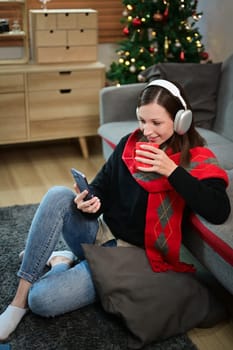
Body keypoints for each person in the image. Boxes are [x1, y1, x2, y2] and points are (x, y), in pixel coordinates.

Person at [0, 79, 231, 341]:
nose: (147, 130)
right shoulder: (129, 144)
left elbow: (218, 211)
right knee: (58, 195)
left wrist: (172, 171)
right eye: (142, 121)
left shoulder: (195, 159)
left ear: (181, 120)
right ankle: (16, 304)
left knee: (42, 301)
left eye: (156, 123)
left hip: (129, 260)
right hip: (100, 234)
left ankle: (61, 260)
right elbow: (102, 187)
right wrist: (88, 201)